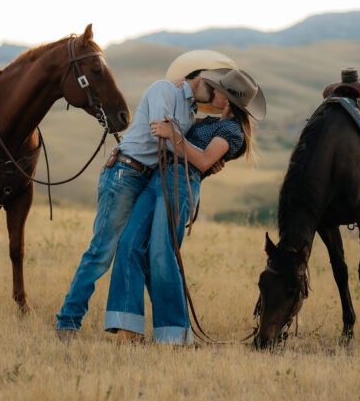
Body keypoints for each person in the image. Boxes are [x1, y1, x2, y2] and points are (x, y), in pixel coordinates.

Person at [54, 50, 237, 338]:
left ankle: (165, 329)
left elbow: (178, 143)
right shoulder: (165, 90)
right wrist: (197, 157)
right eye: (213, 84)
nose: (215, 91)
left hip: (146, 179)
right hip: (125, 174)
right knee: (102, 251)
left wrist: (205, 161)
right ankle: (68, 321)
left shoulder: (190, 113)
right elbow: (160, 136)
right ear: (200, 75)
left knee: (144, 249)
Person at [104, 67, 265, 345]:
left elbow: (202, 161)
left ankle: (174, 334)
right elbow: (183, 118)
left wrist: (172, 135)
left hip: (181, 182)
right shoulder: (211, 121)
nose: (212, 91)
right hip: (158, 176)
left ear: (227, 100)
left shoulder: (232, 131)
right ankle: (126, 327)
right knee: (129, 242)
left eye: (217, 89)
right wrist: (183, 88)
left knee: (161, 252)